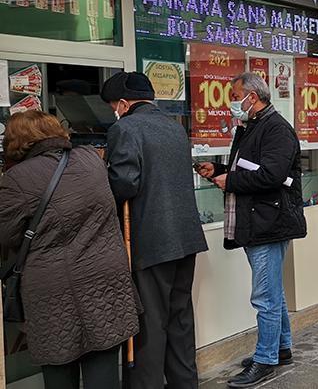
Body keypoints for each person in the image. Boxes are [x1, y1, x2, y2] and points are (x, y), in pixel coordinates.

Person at [0, 111, 140, 389]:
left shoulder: (17, 180)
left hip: (54, 292)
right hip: (106, 281)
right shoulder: (91, 159)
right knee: (104, 369)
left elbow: (5, 236)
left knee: (60, 373)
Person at [195, 73, 306, 388]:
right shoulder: (252, 127)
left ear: (252, 97)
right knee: (273, 292)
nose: (231, 100)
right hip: (257, 220)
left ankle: (265, 359)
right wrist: (219, 171)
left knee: (265, 296)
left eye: (234, 94)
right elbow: (249, 168)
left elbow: (271, 175)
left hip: (269, 222)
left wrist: (230, 181)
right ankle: (280, 348)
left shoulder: (277, 129)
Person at [102, 72, 209, 389]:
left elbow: (124, 183)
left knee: (149, 324)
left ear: (123, 103)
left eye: (113, 106)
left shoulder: (124, 128)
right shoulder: (174, 127)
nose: (114, 111)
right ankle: (184, 383)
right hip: (185, 238)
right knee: (179, 318)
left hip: (150, 241)